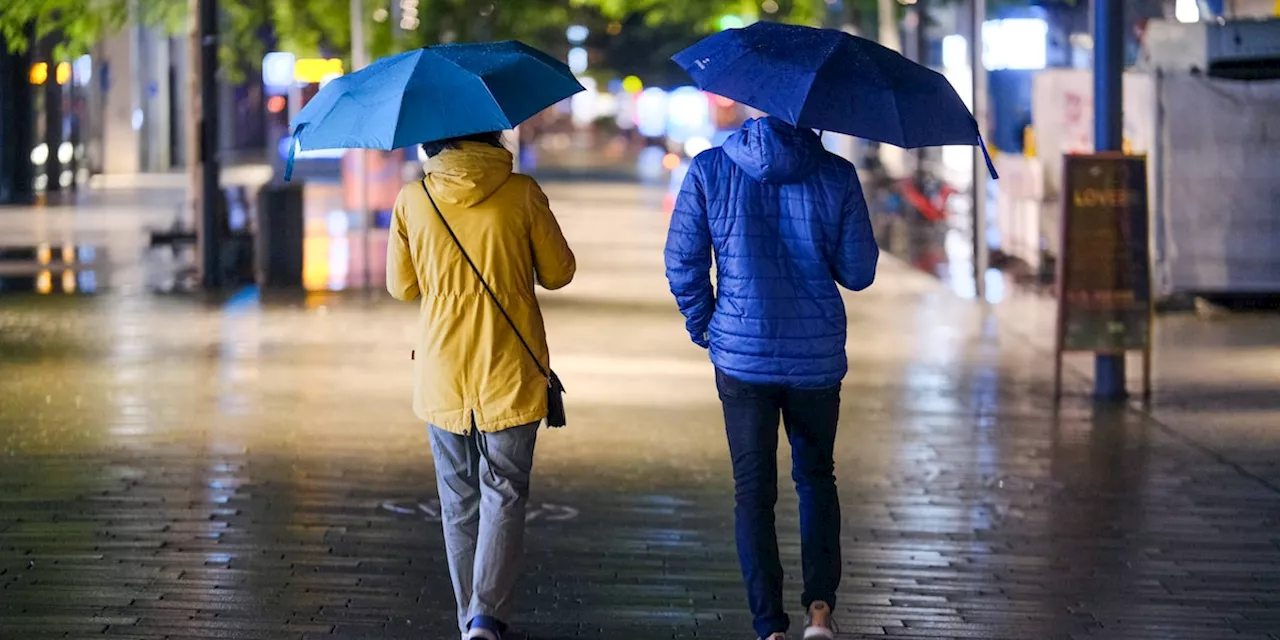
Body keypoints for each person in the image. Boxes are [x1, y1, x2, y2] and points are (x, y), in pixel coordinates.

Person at [664, 116, 879, 640]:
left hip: (741, 358)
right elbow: (859, 271)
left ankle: (769, 626)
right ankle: (820, 614)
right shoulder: (838, 174)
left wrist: (708, 329)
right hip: (815, 359)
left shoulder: (710, 169)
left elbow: (682, 263)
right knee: (816, 478)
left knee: (753, 493)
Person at [386, 131, 576, 640]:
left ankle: (470, 618)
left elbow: (401, 286)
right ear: (493, 131)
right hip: (509, 367)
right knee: (505, 491)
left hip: (442, 369)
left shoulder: (413, 199)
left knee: (458, 500)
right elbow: (559, 273)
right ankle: (486, 617)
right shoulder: (522, 191)